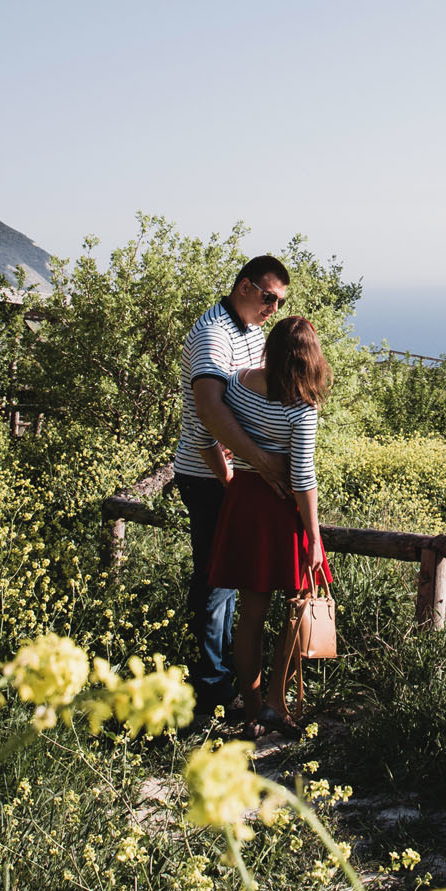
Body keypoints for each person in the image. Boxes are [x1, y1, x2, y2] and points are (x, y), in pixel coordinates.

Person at [173, 254, 293, 727]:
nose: (273, 308)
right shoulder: (213, 334)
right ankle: (210, 697)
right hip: (210, 477)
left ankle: (227, 687)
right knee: (216, 585)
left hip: (235, 477)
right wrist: (260, 465)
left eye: (279, 302)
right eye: (268, 297)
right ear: (244, 287)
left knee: (235, 584)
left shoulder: (249, 333)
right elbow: (209, 410)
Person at [206, 313, 332, 738]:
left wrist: (234, 471)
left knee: (251, 615)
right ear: (310, 357)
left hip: (243, 503)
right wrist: (314, 538)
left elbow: (212, 428)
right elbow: (302, 477)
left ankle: (253, 709)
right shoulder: (303, 407)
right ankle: (277, 702)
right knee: (297, 609)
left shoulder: (239, 384)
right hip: (283, 512)